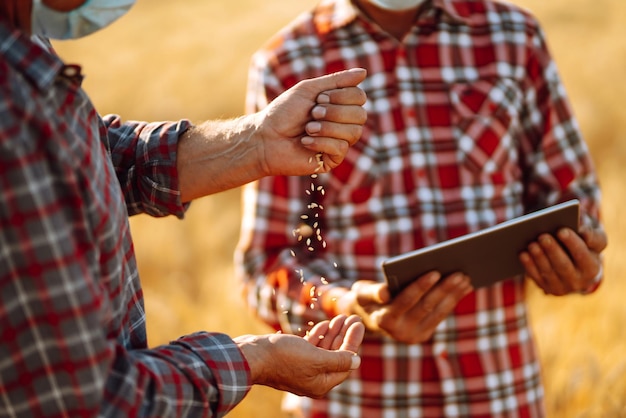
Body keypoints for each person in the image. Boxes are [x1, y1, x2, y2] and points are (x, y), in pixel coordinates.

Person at [235, 0, 608, 416]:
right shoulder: (287, 62)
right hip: (355, 403)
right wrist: (345, 306)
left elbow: (574, 201)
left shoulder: (514, 37)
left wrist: (580, 260)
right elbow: (265, 265)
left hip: (500, 396)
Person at [0, 1, 370, 417]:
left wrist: (256, 141)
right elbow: (88, 402)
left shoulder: (23, 42)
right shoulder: (10, 111)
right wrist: (253, 360)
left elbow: (82, 158)